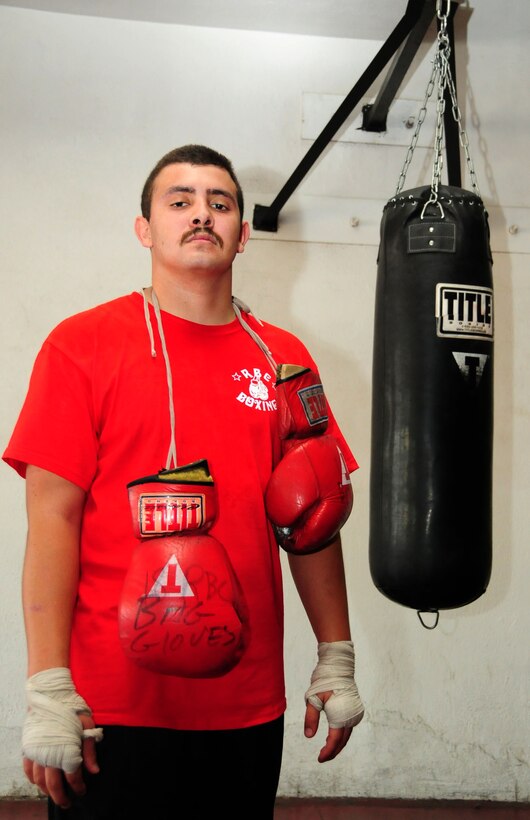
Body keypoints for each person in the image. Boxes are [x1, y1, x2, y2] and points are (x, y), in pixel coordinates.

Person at [3, 144, 364, 820]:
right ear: (145, 228)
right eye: (180, 201)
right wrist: (48, 688)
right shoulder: (81, 346)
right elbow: (52, 520)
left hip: (247, 703)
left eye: (219, 203)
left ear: (242, 232)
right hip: (109, 704)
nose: (202, 214)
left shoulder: (284, 360)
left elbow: (312, 519)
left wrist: (335, 655)